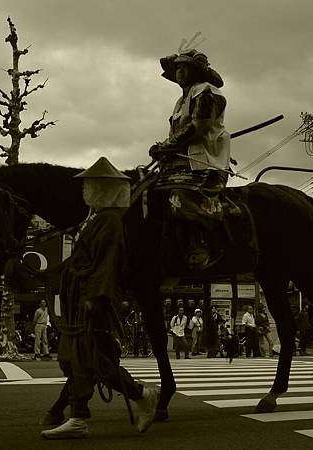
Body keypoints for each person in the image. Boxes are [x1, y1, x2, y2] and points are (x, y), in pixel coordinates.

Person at [40, 157, 159, 440]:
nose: (85, 190)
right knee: (75, 358)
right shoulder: (93, 219)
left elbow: (108, 263)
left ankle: (135, 397)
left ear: (103, 190)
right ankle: (87, 414)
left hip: (94, 301)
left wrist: (97, 298)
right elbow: (79, 261)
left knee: (96, 361)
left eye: (90, 185)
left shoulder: (110, 222)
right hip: (79, 299)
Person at [149, 46, 231, 270]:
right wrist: (164, 150)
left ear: (196, 71)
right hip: (178, 161)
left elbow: (198, 128)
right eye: (177, 68)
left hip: (203, 161)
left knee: (181, 197)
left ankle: (203, 243)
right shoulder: (180, 101)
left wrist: (166, 146)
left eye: (185, 67)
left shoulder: (207, 92)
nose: (179, 72)